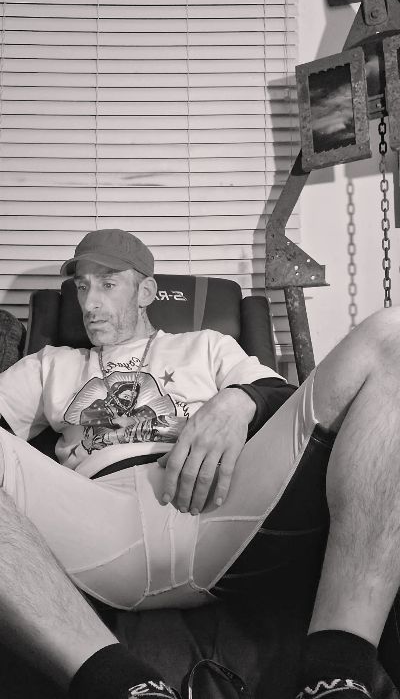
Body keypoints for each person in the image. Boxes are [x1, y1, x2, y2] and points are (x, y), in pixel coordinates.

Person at [0, 228, 398, 699]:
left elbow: (280, 395)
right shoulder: (50, 364)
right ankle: (121, 684)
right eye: (82, 286)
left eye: (108, 283)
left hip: (218, 508)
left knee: (391, 334)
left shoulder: (206, 345)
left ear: (146, 291)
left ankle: (338, 675)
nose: (89, 302)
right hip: (94, 521)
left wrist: (239, 401)